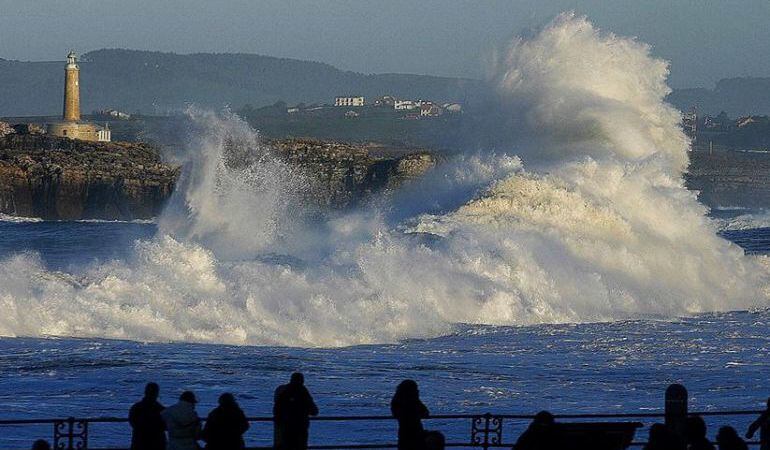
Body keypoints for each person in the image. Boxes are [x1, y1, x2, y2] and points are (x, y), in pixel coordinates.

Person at [273, 373, 319, 450]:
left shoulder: (284, 391)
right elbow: (314, 411)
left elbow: (277, 410)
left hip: (286, 427)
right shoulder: (303, 392)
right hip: (301, 427)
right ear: (302, 380)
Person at [391, 380, 430, 450]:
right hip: (416, 431)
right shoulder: (414, 400)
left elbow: (395, 414)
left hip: (404, 432)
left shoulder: (396, 400)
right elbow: (425, 413)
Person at [129, 382, 167, 450]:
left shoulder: (136, 407)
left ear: (145, 392)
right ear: (157, 393)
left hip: (139, 442)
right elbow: (166, 426)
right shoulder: (161, 409)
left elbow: (132, 422)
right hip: (157, 443)